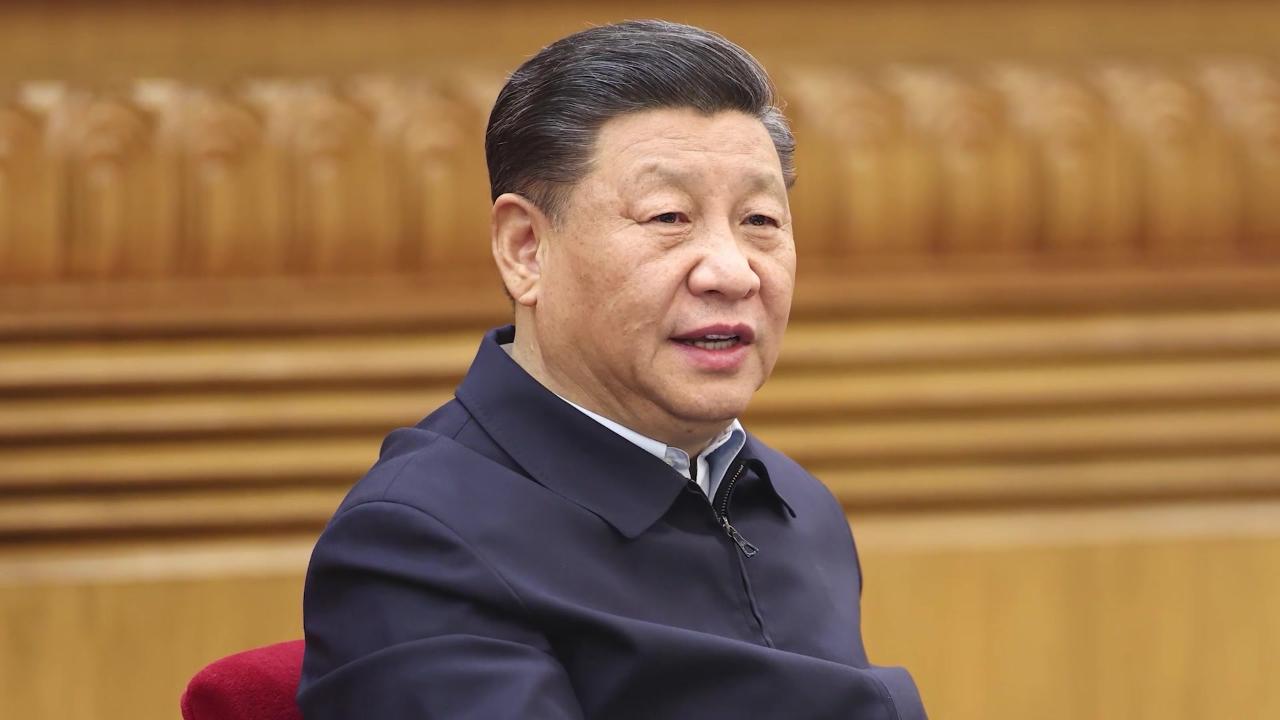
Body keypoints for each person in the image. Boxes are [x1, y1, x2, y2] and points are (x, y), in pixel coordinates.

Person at [298, 19, 926, 719]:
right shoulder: (416, 541)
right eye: (668, 217)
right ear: (526, 249)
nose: (732, 271)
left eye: (760, 221)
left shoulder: (799, 506)